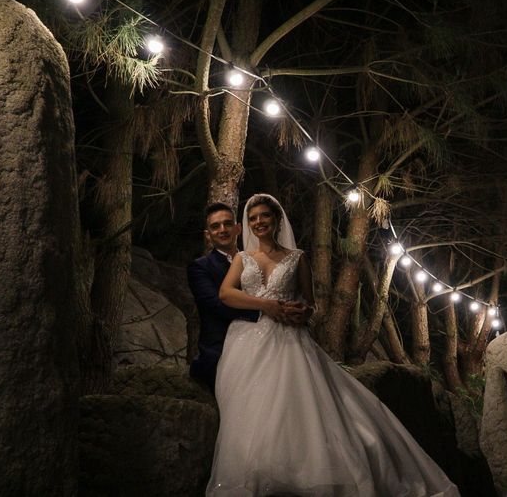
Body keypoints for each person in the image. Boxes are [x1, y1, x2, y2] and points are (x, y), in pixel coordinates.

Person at [206, 193, 459, 497]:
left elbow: (310, 305)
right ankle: (255, 473)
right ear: (247, 224)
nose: (258, 222)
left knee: (298, 404)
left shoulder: (297, 257)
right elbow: (225, 294)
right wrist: (266, 304)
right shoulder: (242, 258)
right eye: (252, 218)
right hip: (251, 339)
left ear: (277, 220)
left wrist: (301, 313)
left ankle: (307, 471)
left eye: (264, 216)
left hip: (289, 339)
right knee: (252, 409)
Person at [187, 203, 303, 394]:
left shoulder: (257, 259)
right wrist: (265, 307)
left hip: (273, 338)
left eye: (227, 224)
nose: (222, 230)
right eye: (215, 227)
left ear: (238, 228)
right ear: (208, 234)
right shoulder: (200, 267)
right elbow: (217, 305)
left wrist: (294, 310)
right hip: (223, 348)